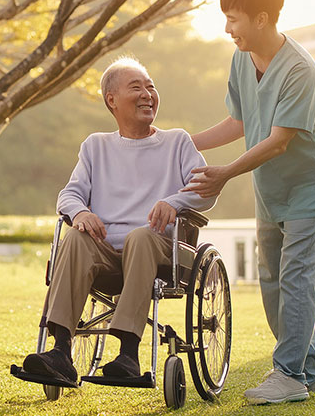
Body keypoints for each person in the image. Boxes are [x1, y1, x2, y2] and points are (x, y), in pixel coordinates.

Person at [184, 0, 315, 405]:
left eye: (233, 20)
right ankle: (307, 371)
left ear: (262, 18)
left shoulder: (300, 69)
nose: (228, 29)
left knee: (296, 280)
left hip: (309, 186)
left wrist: (224, 173)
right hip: (271, 188)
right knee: (271, 280)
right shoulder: (242, 59)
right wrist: (183, 143)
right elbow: (239, 122)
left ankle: (288, 374)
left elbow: (278, 140)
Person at [22, 57, 216, 384]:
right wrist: (81, 212)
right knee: (75, 236)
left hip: (158, 250)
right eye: (136, 87)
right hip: (107, 256)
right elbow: (68, 195)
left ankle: (128, 354)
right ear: (111, 100)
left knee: (140, 236)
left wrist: (174, 201)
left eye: (151, 87)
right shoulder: (95, 146)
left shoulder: (177, 142)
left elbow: (206, 190)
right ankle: (60, 352)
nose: (147, 94)